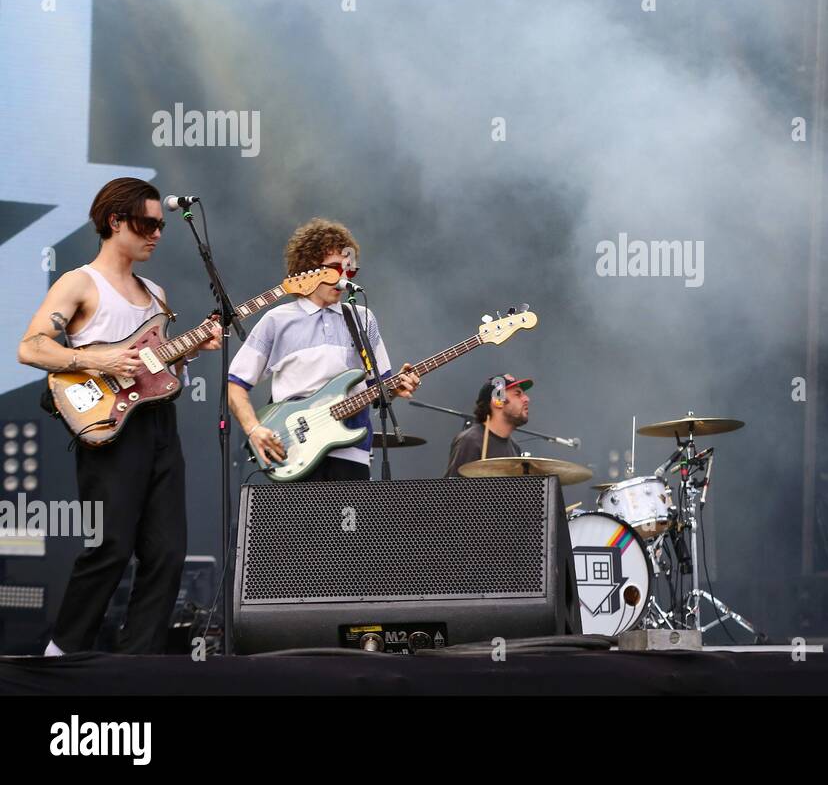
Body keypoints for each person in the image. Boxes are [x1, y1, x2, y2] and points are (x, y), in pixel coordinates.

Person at [17, 178, 221, 653]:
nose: (156, 233)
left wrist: (190, 351)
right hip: (108, 428)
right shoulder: (80, 282)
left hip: (158, 425)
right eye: (147, 223)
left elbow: (153, 370)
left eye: (161, 226)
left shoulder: (155, 291)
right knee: (110, 548)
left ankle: (137, 664)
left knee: (167, 553)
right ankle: (63, 651)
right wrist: (99, 360)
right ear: (115, 221)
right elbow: (31, 347)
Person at [228, 218, 418, 481]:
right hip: (294, 451)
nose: (342, 279)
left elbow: (379, 389)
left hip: (352, 453)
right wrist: (253, 429)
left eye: (348, 271)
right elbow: (235, 384)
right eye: (333, 269)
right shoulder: (277, 320)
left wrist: (396, 387)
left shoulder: (362, 318)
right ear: (307, 269)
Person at [446, 374, 533, 477]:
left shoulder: (514, 447)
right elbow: (453, 491)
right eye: (517, 394)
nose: (527, 399)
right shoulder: (471, 440)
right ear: (498, 401)